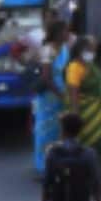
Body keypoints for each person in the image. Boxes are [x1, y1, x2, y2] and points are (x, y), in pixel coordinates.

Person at [65, 36, 101, 192]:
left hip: (95, 112)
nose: (94, 52)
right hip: (85, 114)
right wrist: (76, 115)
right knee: (90, 149)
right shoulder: (74, 67)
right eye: (91, 49)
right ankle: (93, 181)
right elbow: (73, 91)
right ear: (82, 51)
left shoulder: (89, 65)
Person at [41, 113, 101, 201]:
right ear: (79, 131)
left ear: (63, 131)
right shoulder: (89, 154)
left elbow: (46, 185)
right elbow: (97, 185)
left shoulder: (52, 153)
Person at [33, 20, 71, 176]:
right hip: (49, 97)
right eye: (65, 31)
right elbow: (46, 78)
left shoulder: (65, 49)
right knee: (45, 131)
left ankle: (57, 160)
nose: (67, 34)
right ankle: (43, 165)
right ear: (57, 33)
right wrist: (60, 94)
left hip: (62, 92)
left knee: (58, 130)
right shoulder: (47, 50)